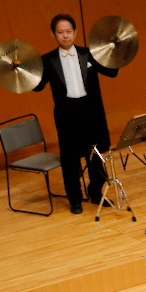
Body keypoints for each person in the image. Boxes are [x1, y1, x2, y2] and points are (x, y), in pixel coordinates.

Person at [33, 14, 117, 215]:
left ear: (75, 32)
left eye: (69, 32)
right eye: (60, 32)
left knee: (95, 155)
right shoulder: (47, 60)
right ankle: (75, 199)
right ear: (53, 34)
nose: (65, 36)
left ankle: (96, 193)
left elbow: (112, 72)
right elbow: (37, 87)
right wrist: (24, 70)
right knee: (70, 158)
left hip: (90, 110)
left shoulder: (89, 54)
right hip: (66, 113)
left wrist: (115, 51)